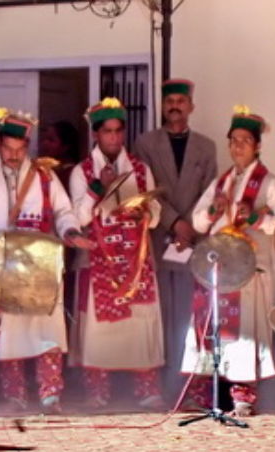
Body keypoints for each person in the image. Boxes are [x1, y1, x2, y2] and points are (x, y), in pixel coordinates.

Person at [0, 111, 92, 413]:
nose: (14, 156)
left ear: (27, 147)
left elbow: (63, 212)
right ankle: (15, 395)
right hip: (4, 263)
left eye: (20, 150)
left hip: (40, 263)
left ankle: (50, 394)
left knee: (48, 332)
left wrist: (70, 232)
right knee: (11, 334)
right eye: (8, 149)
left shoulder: (45, 177)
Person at [182, 105, 275, 416]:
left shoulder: (270, 183)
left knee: (245, 334)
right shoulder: (221, 183)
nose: (238, 146)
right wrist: (213, 211)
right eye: (234, 140)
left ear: (257, 145)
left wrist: (256, 218)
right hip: (218, 269)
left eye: (245, 140)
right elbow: (198, 222)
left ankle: (243, 396)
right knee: (211, 328)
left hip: (250, 270)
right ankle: (205, 393)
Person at [69, 97, 165, 409]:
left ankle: (146, 390)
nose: (113, 137)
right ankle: (97, 392)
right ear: (96, 134)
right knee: (98, 330)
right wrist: (98, 187)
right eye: (107, 131)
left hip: (136, 261)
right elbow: (78, 218)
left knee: (140, 323)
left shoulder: (140, 169)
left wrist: (145, 213)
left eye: (118, 131)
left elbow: (156, 211)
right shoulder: (82, 171)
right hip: (99, 260)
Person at [133, 79, 217, 397]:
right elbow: (145, 190)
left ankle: (191, 384)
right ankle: (162, 384)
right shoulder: (146, 143)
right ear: (162, 106)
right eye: (170, 101)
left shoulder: (206, 147)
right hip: (159, 239)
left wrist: (190, 227)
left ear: (191, 106)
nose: (175, 107)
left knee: (190, 312)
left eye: (181, 101)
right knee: (161, 313)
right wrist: (175, 223)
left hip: (193, 241)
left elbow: (210, 192)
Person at [39, 120, 81, 193]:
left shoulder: (72, 173)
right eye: (43, 139)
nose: (44, 143)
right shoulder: (44, 169)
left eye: (51, 140)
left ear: (66, 146)